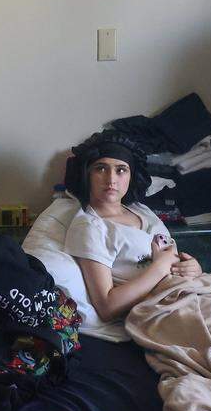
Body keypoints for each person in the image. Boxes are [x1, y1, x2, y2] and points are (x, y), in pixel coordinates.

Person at [63, 133, 203, 332]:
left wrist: (192, 268)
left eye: (121, 170)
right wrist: (160, 267)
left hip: (193, 291)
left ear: (131, 176)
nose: (111, 179)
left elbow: (171, 257)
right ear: (86, 175)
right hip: (162, 310)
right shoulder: (90, 228)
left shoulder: (141, 211)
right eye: (100, 168)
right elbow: (107, 307)